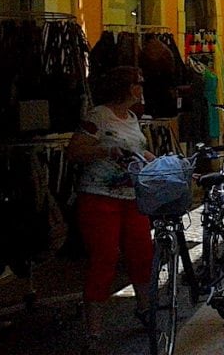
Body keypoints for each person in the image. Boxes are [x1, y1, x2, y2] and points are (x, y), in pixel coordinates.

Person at [67, 66, 156, 355]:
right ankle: (94, 332)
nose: (142, 87)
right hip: (99, 198)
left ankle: (145, 310)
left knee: (142, 254)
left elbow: (138, 150)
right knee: (103, 260)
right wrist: (105, 151)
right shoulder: (98, 116)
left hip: (132, 197)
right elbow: (74, 151)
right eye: (138, 83)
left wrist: (159, 162)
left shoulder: (132, 118)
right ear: (126, 86)